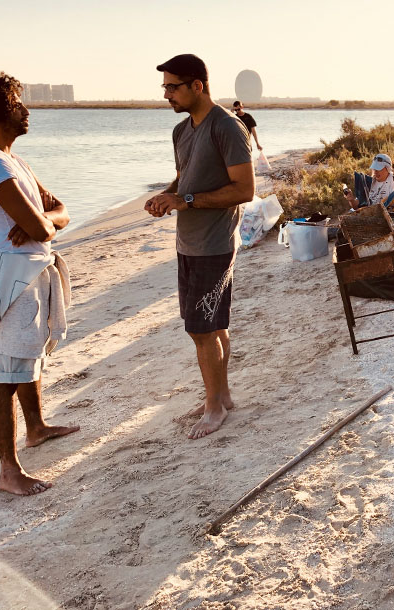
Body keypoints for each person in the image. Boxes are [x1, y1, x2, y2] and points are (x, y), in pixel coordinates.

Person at [0, 72, 79, 496]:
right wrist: (42, 224)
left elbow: (59, 211)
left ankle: (36, 428)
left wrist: (43, 222)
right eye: (17, 103)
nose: (26, 110)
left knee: (29, 357)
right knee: (6, 372)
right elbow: (41, 227)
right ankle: (8, 471)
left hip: (31, 271)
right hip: (10, 277)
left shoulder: (12, 160)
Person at [145, 54, 254, 439]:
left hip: (214, 243)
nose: (166, 95)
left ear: (197, 86)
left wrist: (185, 201)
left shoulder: (227, 126)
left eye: (172, 87)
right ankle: (221, 395)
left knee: (201, 329)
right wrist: (166, 195)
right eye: (164, 88)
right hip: (188, 242)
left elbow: (245, 190)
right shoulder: (181, 131)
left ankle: (213, 407)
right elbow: (184, 179)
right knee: (214, 324)